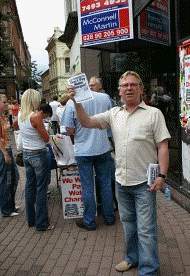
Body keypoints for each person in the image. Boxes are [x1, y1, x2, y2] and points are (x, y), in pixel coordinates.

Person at [67, 71, 171, 275]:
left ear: (142, 89)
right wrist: (76, 102)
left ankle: (149, 269)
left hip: (145, 184)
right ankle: (132, 259)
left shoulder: (153, 114)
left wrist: (162, 176)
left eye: (133, 85)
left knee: (146, 229)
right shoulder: (114, 114)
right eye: (125, 85)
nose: (129, 88)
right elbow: (87, 122)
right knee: (129, 226)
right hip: (122, 182)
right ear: (119, 91)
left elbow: (163, 146)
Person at [61, 81, 115, 231]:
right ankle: (109, 217)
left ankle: (90, 221)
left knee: (87, 186)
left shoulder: (72, 103)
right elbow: (111, 123)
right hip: (103, 148)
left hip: (83, 150)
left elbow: (69, 130)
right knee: (105, 184)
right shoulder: (105, 98)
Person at [16, 89, 54, 231]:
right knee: (41, 189)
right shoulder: (36, 117)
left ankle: (31, 219)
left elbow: (15, 125)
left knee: (29, 187)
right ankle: (42, 223)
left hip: (26, 153)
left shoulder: (20, 114)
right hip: (38, 153)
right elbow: (46, 138)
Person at [89, 76, 118, 210]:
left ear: (100, 86)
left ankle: (113, 203)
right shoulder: (92, 99)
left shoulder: (106, 99)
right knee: (105, 178)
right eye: (89, 85)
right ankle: (107, 205)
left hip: (106, 142)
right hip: (100, 142)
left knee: (109, 177)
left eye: (93, 85)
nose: (90, 88)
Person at [0, 94, 19, 217]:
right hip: (3, 151)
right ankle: (6, 209)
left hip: (7, 149)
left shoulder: (3, 117)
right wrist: (5, 153)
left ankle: (10, 204)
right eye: (4, 102)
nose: (7, 104)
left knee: (13, 177)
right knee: (6, 180)